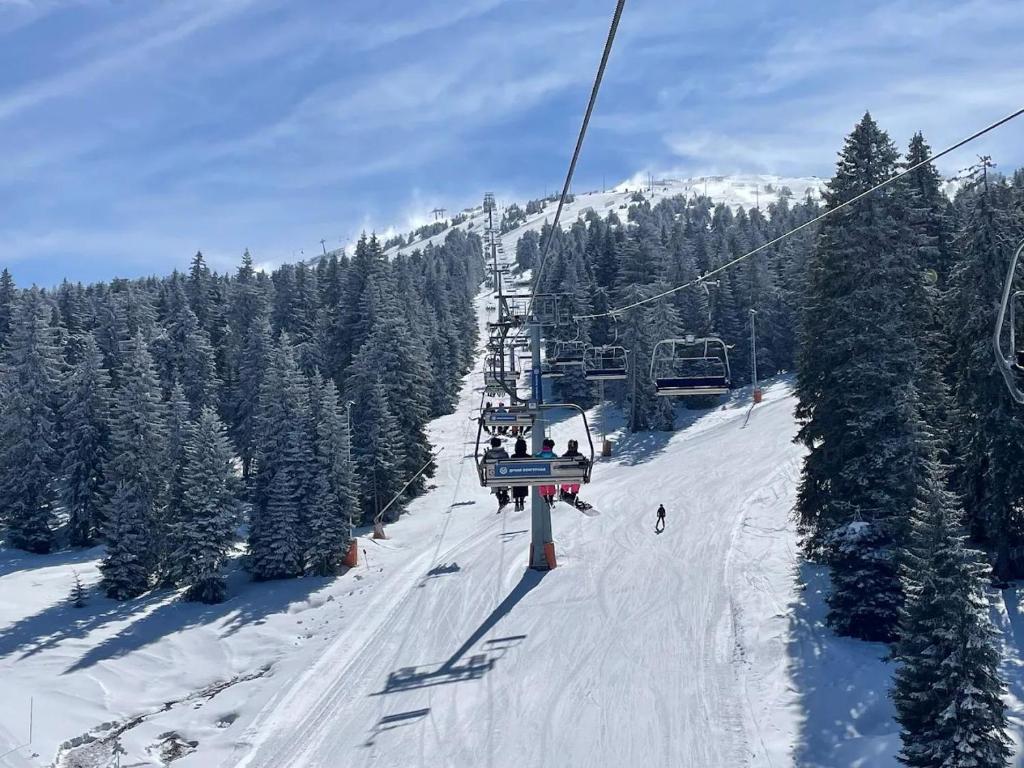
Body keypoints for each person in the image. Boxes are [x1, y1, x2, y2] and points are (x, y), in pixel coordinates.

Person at [484, 436, 510, 510]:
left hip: (491, 478)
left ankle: (499, 497)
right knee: (502, 476)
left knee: (492, 476)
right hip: (503, 477)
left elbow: (482, 464)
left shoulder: (488, 454)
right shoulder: (504, 454)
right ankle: (504, 495)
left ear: (492, 445)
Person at [559, 439, 583, 505]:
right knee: (576, 479)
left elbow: (560, 467)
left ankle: (563, 492)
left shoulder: (564, 457)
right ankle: (573, 494)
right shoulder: (580, 456)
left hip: (566, 478)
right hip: (577, 478)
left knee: (566, 478)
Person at [535, 438, 557, 506]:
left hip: (541, 474)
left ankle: (545, 497)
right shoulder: (553, 455)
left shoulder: (539, 455)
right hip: (551, 474)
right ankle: (551, 497)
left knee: (542, 483)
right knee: (551, 482)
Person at [511, 438, 530, 511]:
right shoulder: (527, 457)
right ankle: (521, 502)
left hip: (515, 477)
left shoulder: (513, 456)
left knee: (516, 485)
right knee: (523, 484)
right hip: (525, 477)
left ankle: (516, 503)